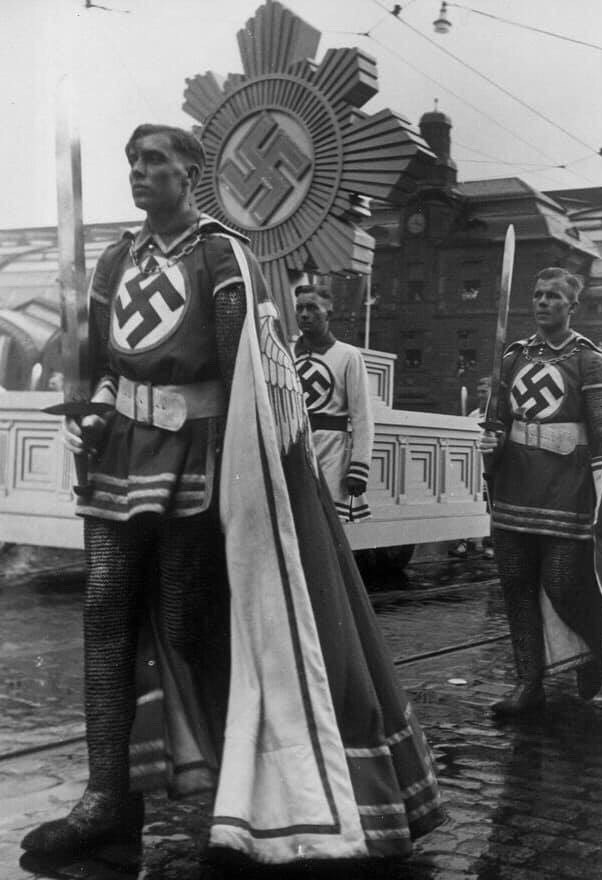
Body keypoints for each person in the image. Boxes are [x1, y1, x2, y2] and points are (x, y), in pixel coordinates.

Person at [21, 124, 443, 866]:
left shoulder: (222, 256)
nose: (139, 171)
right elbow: (101, 363)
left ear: (191, 173)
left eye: (154, 161)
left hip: (200, 456)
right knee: (105, 611)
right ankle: (107, 800)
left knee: (192, 624)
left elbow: (242, 371)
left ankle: (243, 794)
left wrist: (235, 475)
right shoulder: (117, 258)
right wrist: (93, 408)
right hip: (121, 456)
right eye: (132, 161)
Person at [480, 267, 602, 715]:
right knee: (515, 584)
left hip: (567, 489)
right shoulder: (514, 357)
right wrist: (492, 441)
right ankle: (529, 684)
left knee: (562, 583)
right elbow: (499, 418)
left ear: (572, 306)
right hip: (515, 486)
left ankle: (593, 647)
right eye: (538, 294)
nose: (543, 302)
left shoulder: (588, 360)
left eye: (553, 296)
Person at [293, 284, 374, 523]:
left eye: (312, 308)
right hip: (293, 449)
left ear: (329, 313)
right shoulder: (286, 353)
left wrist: (359, 467)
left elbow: (362, 417)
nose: (304, 314)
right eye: (299, 308)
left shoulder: (348, 355)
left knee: (327, 524)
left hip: (332, 452)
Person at [449, 376, 494, 559]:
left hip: (489, 469)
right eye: (478, 392)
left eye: (484, 392)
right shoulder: (473, 415)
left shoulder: (496, 417)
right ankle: (464, 543)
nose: (480, 395)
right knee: (468, 505)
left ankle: (490, 545)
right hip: (471, 468)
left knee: (490, 507)